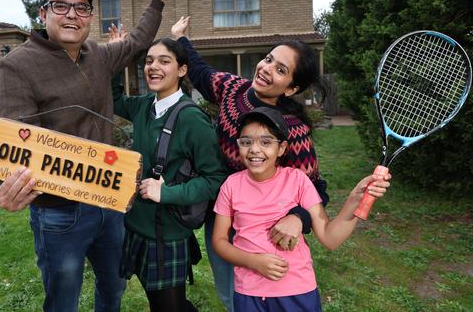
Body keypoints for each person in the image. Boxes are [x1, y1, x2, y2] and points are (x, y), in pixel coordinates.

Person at [0, 0, 173, 312]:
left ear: (90, 17)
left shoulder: (98, 55)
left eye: (82, 7)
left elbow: (137, 41)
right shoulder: (18, 65)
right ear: (43, 12)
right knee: (63, 299)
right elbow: (14, 142)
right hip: (59, 214)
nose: (72, 14)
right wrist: (4, 184)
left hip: (108, 202)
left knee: (114, 286)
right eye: (61, 5)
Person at [171, 16, 329, 311]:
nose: (267, 69)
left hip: (265, 227)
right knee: (231, 293)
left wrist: (298, 218)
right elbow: (202, 73)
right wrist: (180, 38)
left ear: (291, 88)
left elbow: (315, 188)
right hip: (221, 214)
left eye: (280, 70)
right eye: (269, 59)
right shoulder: (233, 90)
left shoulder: (292, 128)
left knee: (265, 291)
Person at [213, 107, 391, 311]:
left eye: (266, 142)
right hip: (249, 293)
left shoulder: (297, 180)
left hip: (297, 291)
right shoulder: (231, 185)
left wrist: (354, 200)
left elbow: (330, 237)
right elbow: (219, 241)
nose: (254, 149)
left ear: (281, 148)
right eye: (246, 142)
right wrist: (253, 262)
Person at [111, 37, 227, 311]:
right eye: (149, 61)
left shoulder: (192, 119)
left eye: (165, 61)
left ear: (182, 70)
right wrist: (117, 55)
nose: (153, 67)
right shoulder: (143, 106)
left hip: (166, 235)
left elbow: (215, 179)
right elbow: (113, 98)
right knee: (160, 304)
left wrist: (167, 192)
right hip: (136, 226)